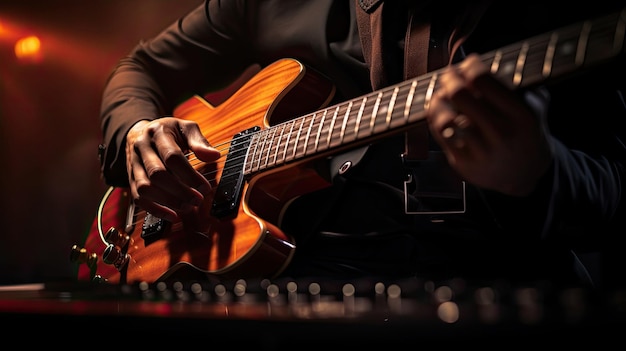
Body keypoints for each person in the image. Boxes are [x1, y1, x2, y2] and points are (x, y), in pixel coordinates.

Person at [97, 0, 626, 291]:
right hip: (288, 291)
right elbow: (139, 67)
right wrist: (135, 133)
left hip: (499, 287)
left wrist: (539, 172)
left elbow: (612, 187)